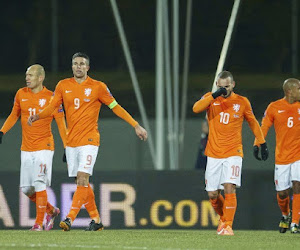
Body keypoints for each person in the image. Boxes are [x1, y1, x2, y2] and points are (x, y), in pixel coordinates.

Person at [28, 52, 148, 231]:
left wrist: (136, 125)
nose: (78, 66)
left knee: (83, 178)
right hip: (72, 142)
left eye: (82, 64)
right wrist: (38, 116)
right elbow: (52, 107)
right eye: (75, 63)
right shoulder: (63, 85)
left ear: (87, 67)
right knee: (81, 182)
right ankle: (96, 220)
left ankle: (69, 218)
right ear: (72, 66)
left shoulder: (98, 87)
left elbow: (116, 107)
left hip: (90, 140)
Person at [192, 70, 268, 236]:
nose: (225, 90)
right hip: (213, 153)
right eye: (222, 87)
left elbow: (253, 122)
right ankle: (223, 218)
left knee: (229, 186)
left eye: (227, 86)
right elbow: (196, 109)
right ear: (217, 85)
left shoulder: (241, 102)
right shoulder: (210, 98)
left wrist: (261, 142)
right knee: (213, 194)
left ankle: (228, 225)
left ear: (233, 84)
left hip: (233, 151)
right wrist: (214, 95)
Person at [0, 64, 67, 231]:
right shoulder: (21, 93)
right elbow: (13, 115)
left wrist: (68, 147)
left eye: (30, 75)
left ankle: (38, 224)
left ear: (40, 78)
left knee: (39, 182)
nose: (27, 78)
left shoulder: (52, 98)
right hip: (26, 148)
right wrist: (2, 132)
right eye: (26, 75)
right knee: (26, 189)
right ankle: (51, 210)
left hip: (44, 147)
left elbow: (61, 125)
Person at [254, 78, 300, 234]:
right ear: (289, 91)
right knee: (282, 193)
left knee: (297, 184)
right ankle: (286, 215)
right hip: (282, 156)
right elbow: (264, 126)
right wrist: (257, 143)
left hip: (298, 155)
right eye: (299, 89)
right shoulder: (274, 107)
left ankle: (295, 222)